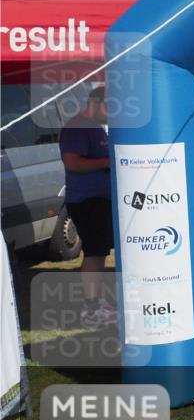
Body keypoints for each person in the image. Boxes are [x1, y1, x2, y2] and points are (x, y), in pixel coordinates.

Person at [58, 86, 117, 327]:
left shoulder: (95, 128)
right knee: (94, 252)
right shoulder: (77, 127)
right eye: (110, 107)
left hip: (100, 199)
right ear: (96, 102)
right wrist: (107, 161)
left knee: (99, 251)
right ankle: (91, 309)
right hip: (86, 200)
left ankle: (96, 303)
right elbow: (72, 164)